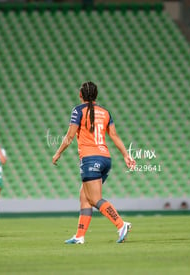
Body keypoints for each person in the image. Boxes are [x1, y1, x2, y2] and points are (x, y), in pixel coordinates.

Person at [52, 81, 136, 244]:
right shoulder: (105, 112)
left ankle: (121, 224)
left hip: (90, 159)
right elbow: (114, 135)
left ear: (80, 95)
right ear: (96, 95)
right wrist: (126, 155)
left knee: (95, 199)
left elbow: (69, 136)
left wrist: (57, 153)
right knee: (84, 196)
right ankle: (79, 236)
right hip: (105, 159)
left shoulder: (78, 111)